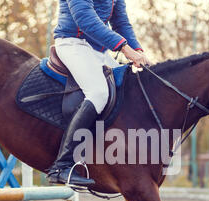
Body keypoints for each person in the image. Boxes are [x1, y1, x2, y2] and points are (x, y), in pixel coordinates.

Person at [47, 0, 151, 187]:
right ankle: (61, 166)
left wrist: (137, 50)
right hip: (72, 43)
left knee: (129, 88)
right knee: (98, 93)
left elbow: (121, 22)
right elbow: (84, 18)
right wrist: (124, 48)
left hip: (99, 49)